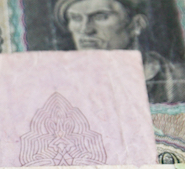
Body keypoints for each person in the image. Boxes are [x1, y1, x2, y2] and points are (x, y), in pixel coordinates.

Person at [54, 0, 185, 103]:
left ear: (136, 25)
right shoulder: (61, 83)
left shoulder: (175, 79)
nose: (85, 30)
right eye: (75, 18)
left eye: (101, 17)